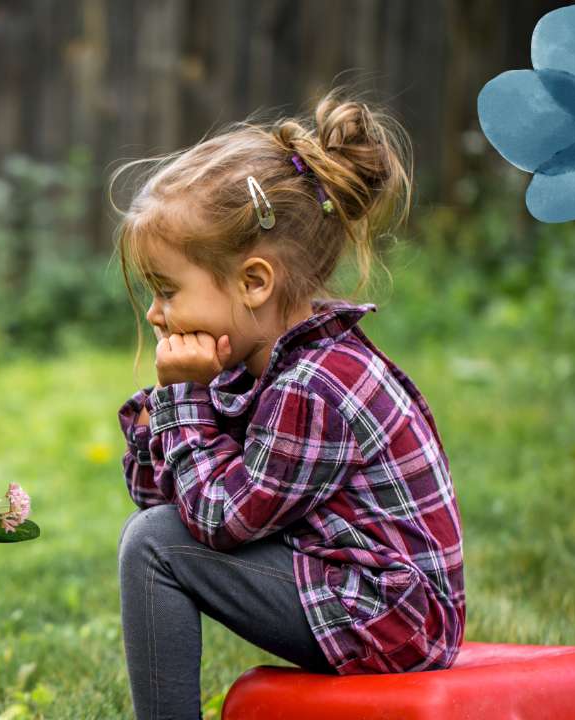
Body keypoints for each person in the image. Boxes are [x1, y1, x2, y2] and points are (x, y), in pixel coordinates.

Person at [112, 86, 464, 719]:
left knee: (153, 547)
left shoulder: (315, 386)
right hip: (356, 592)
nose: (154, 312)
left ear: (253, 282)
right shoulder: (260, 364)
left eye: (167, 290)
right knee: (154, 535)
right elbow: (165, 497)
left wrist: (184, 397)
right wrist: (172, 407)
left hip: (396, 617)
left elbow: (217, 522)